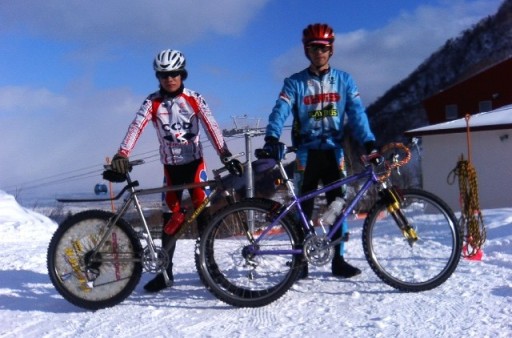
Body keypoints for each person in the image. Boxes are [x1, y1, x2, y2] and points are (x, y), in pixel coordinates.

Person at [110, 49, 240, 292]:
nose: (170, 79)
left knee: (204, 216)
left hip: (195, 165)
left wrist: (225, 153)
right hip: (171, 168)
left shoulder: (195, 98)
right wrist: (122, 153)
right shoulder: (152, 102)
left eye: (175, 74)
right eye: (164, 75)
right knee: (171, 219)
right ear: (158, 77)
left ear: (183, 74)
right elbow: (135, 127)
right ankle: (165, 273)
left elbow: (212, 126)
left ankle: (209, 269)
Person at [264, 23, 377, 279]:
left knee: (339, 204)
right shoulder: (294, 83)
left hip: (334, 153)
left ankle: (339, 259)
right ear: (307, 50)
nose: (319, 53)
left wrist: (369, 142)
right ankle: (300, 261)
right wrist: (271, 135)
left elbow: (357, 114)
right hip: (306, 154)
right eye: (314, 48)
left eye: (324, 48)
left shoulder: (345, 81)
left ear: (331, 49)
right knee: (302, 207)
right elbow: (279, 110)